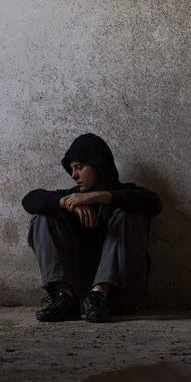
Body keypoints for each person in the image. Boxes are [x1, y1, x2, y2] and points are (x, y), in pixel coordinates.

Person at [22, 133, 162, 323]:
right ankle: (64, 297)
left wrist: (99, 196)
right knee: (43, 217)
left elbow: (153, 202)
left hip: (123, 292)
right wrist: (63, 201)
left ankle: (99, 294)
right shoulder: (73, 197)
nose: (74, 175)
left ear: (99, 166)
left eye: (79, 167)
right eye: (72, 169)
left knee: (130, 214)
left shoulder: (128, 193)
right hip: (80, 297)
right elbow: (30, 199)